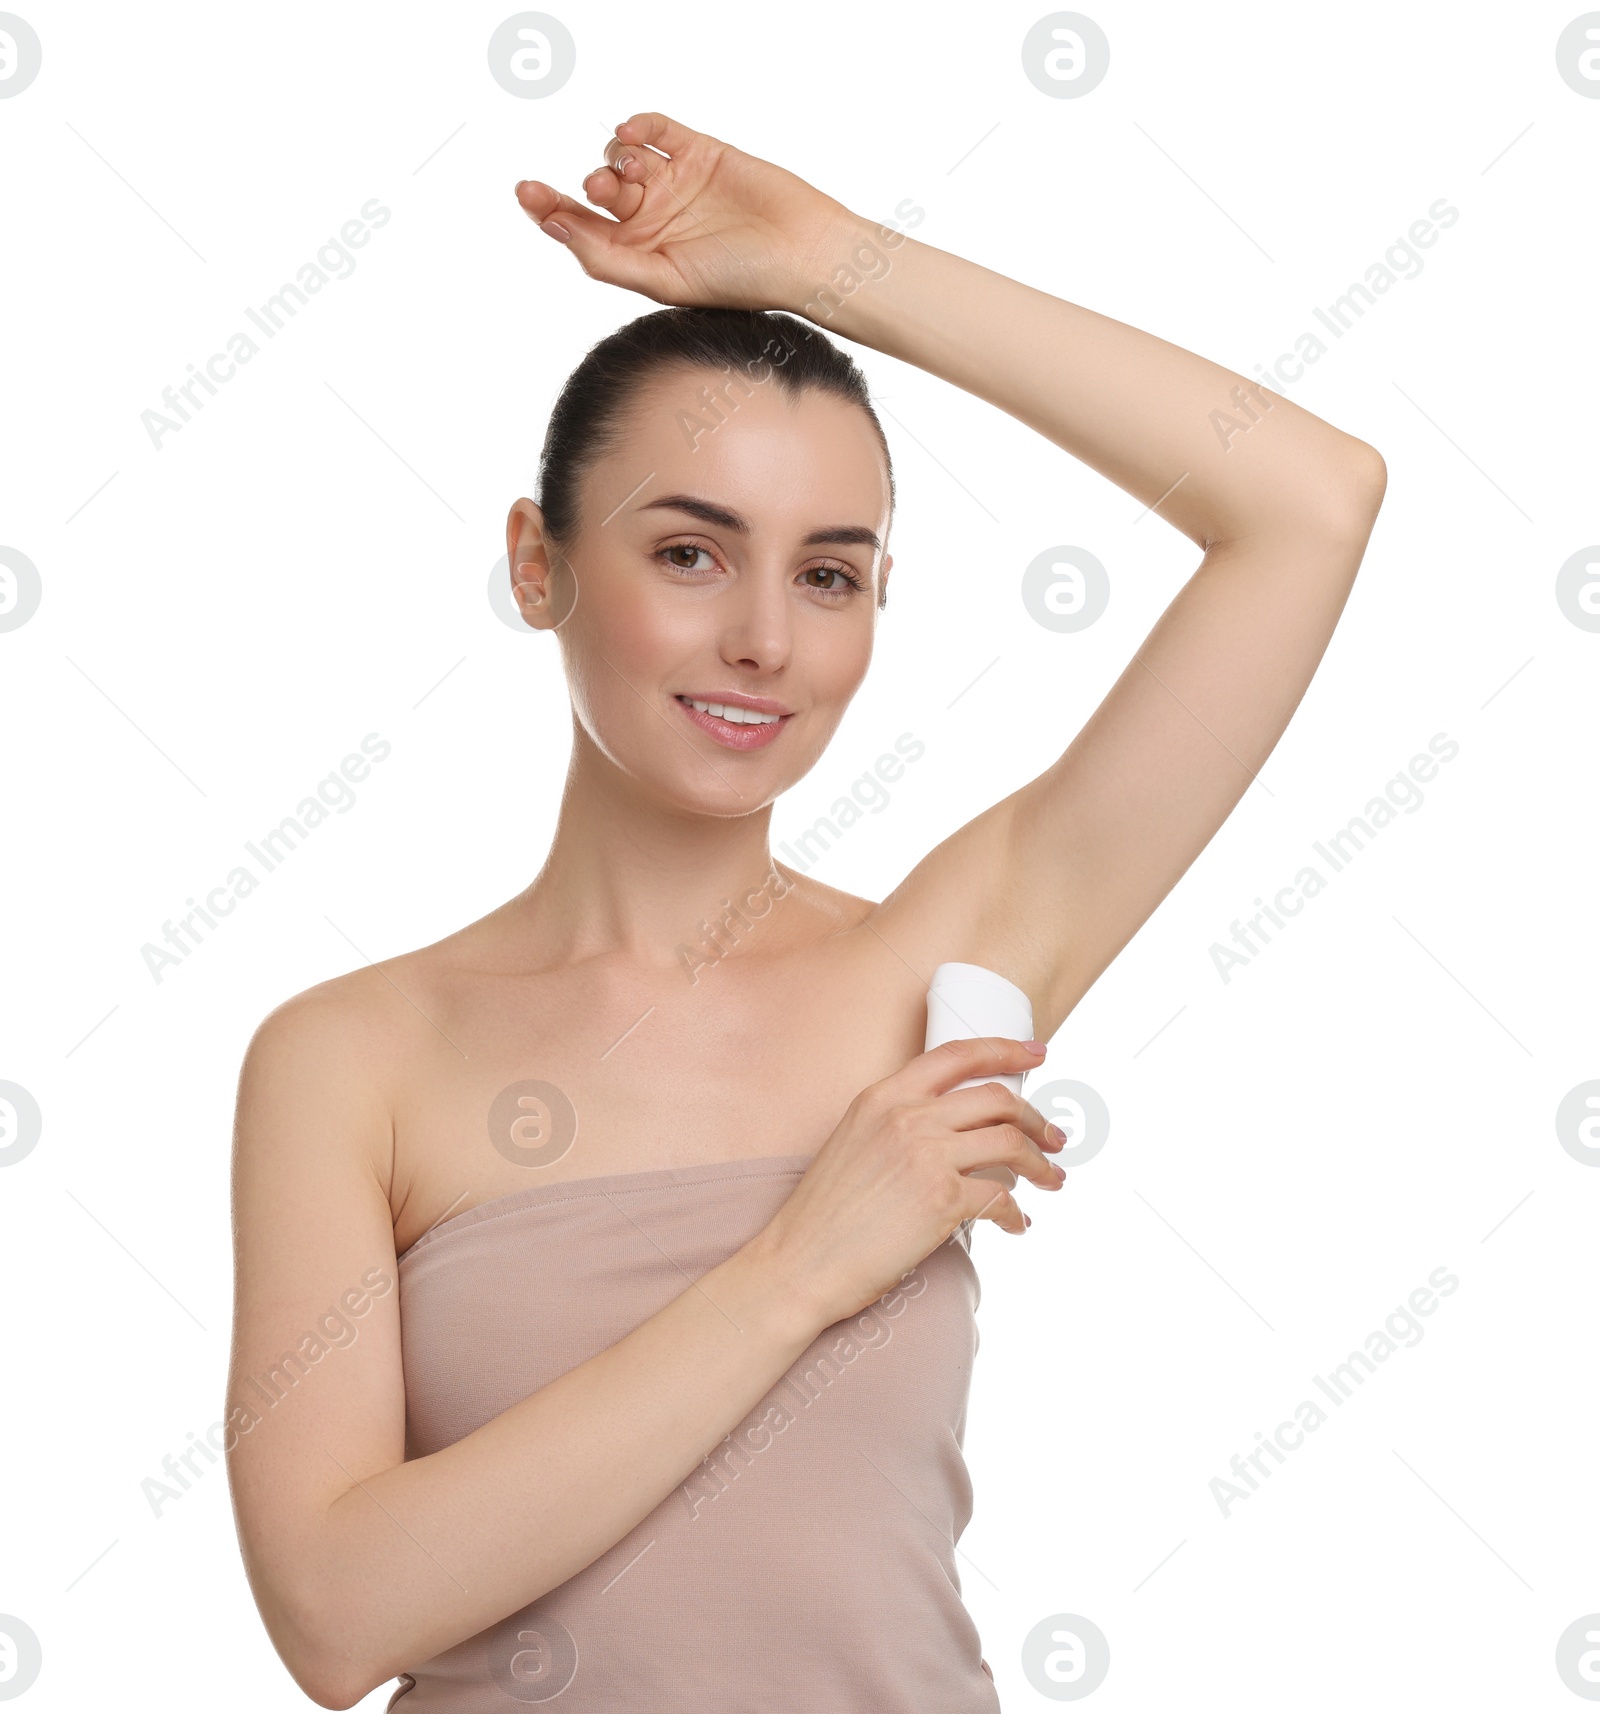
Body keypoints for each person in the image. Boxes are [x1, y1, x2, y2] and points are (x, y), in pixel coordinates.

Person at [224, 110, 1385, 1710]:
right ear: (539, 563)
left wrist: (832, 263)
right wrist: (799, 1263)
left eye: (830, 573)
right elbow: (339, 1615)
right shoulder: (351, 1056)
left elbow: (1312, 500)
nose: (766, 637)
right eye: (693, 551)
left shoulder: (941, 962)